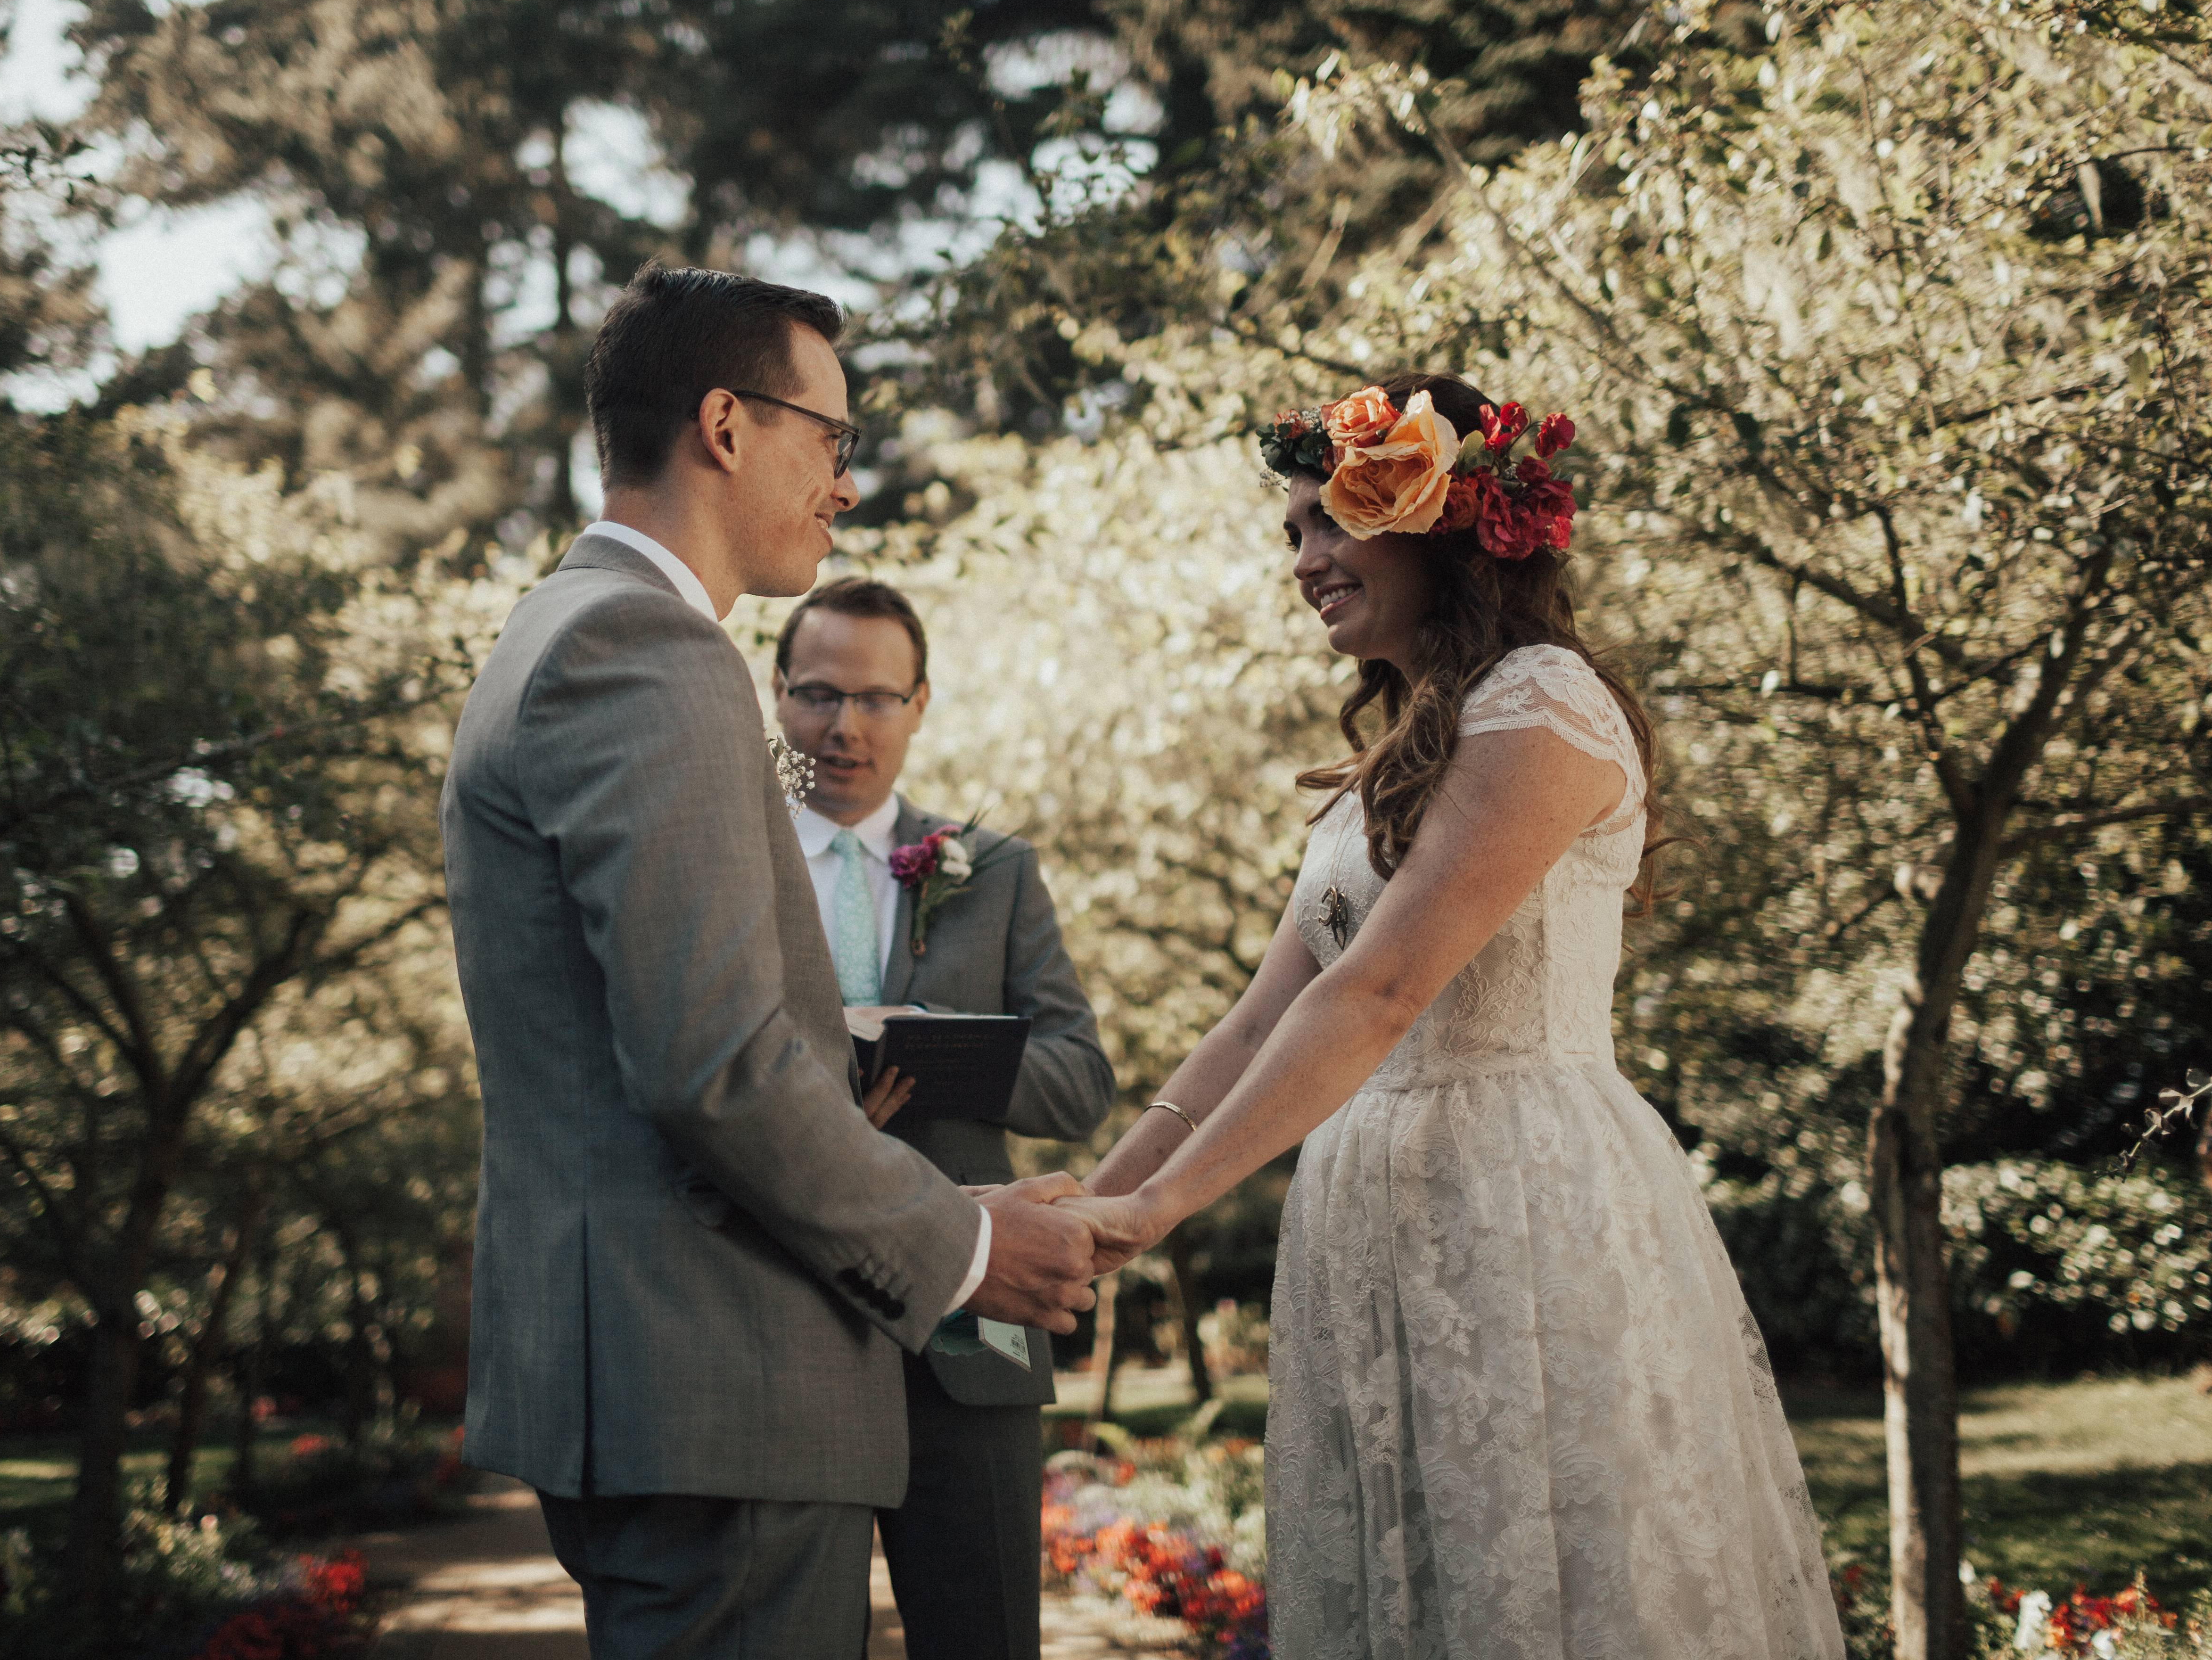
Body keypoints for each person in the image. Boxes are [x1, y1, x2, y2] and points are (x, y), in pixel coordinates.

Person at [1064, 374, 1845, 1658]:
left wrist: (1160, 1212)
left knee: (1552, 1580)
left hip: (1520, 1199)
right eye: (1293, 534)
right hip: (1372, 1213)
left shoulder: (1541, 705)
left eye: (1330, 520)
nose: (1305, 559)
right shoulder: (1386, 759)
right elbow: (1267, 1020)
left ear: (1438, 518)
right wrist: (1107, 1205)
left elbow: (1381, 991)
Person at [439, 261, 1105, 1660]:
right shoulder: (646, 649)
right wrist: (971, 1244)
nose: (846, 486)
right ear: (727, 426)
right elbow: (719, 1068)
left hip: (672, 1385)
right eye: (834, 439)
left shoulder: (560, 633)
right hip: (718, 1382)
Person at [772, 575, 1116, 1660]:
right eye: (817, 695)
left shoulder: (994, 870)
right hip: (780, 1310)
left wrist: (936, 1045)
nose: (843, 727)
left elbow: (1079, 1081)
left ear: (921, 704)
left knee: (988, 1637)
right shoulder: (726, 854)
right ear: (775, 697)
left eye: (877, 699)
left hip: (983, 1319)